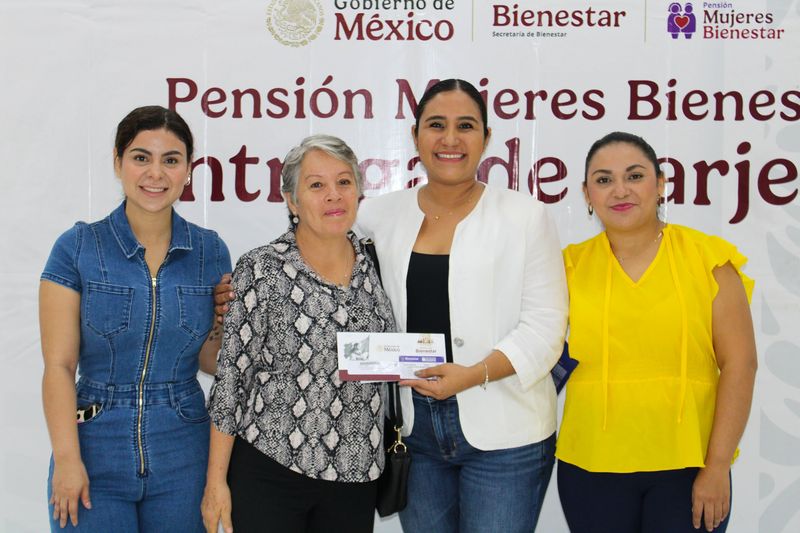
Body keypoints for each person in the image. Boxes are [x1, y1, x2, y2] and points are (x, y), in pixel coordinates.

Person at [356, 79, 569, 532]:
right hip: (413, 431)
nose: (450, 139)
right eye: (436, 125)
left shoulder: (526, 216)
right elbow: (326, 277)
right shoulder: (375, 215)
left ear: (486, 138)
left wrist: (473, 375)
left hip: (507, 430)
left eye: (466, 126)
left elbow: (546, 327)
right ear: (415, 137)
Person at [40, 105, 231, 532]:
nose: (155, 174)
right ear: (117, 162)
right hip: (93, 444)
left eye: (171, 160)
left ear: (188, 171)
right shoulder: (77, 248)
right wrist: (68, 461)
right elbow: (58, 366)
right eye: (141, 157)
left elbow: (210, 361)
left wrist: (223, 320)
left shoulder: (210, 251)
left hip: (184, 447)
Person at [556, 132, 757, 533]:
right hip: (591, 468)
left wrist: (717, 466)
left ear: (661, 184)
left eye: (634, 176)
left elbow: (741, 365)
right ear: (586, 193)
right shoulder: (568, 267)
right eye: (603, 180)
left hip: (689, 466)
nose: (620, 191)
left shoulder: (708, 259)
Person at [201, 135, 396, 533]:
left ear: (359, 192)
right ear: (291, 201)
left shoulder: (379, 263)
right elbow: (231, 382)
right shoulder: (262, 268)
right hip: (272, 467)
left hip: (355, 476)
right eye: (316, 185)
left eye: (344, 182)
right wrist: (216, 482)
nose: (333, 196)